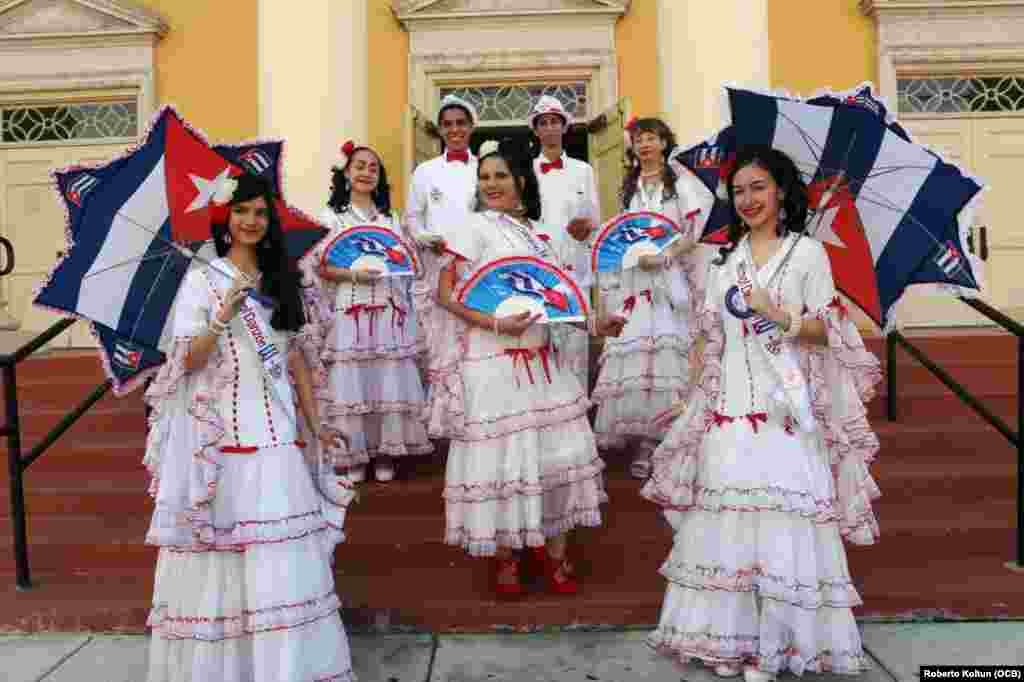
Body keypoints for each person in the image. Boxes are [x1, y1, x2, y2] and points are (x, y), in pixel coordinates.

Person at [641, 146, 882, 681]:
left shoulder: (809, 256)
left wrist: (783, 316)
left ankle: (775, 650)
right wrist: (693, 391)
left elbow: (831, 330)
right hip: (728, 409)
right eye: (740, 190)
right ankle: (733, 643)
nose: (747, 199)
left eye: (758, 187)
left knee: (780, 532)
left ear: (780, 192)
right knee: (729, 530)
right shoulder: (723, 259)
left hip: (786, 413)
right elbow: (710, 336)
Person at [142, 173, 356, 681]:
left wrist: (316, 425)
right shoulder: (203, 279)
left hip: (276, 439)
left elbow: (299, 360)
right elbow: (188, 363)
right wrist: (221, 317)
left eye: (260, 212)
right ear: (226, 218)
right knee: (223, 560)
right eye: (242, 211)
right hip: (221, 441)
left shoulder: (285, 278)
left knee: (278, 564)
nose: (251, 221)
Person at [435, 138, 626, 598]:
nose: (492, 184)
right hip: (493, 361)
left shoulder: (542, 234)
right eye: (484, 177)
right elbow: (446, 295)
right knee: (504, 464)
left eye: (500, 175)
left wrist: (598, 321)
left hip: (544, 363)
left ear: (521, 180)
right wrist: (494, 320)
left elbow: (560, 302)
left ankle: (554, 554)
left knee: (553, 460)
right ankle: (507, 561)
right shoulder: (471, 227)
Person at [300, 140, 433, 484]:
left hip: (389, 308)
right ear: (346, 173)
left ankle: (385, 451)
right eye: (360, 166)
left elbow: (408, 264)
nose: (366, 173)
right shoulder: (331, 218)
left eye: (373, 168)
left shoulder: (390, 218)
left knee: (388, 377)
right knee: (351, 381)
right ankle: (353, 453)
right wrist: (353, 273)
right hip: (350, 306)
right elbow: (321, 267)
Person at [592, 117, 714, 478]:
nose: (644, 144)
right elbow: (622, 235)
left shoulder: (680, 183)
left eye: (651, 138)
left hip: (666, 280)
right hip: (633, 283)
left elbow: (696, 231)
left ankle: (661, 442)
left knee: (666, 358)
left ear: (664, 142)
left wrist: (666, 256)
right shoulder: (629, 187)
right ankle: (641, 438)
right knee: (634, 352)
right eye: (638, 139)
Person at [405, 94, 480, 439]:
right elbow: (412, 219)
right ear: (440, 130)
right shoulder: (425, 171)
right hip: (438, 270)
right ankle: (443, 421)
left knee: (473, 345)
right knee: (441, 346)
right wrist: (425, 238)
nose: (454, 130)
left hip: (477, 270)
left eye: (460, 123)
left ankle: (476, 416)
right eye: (448, 124)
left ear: (471, 127)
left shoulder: (485, 168)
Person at [528, 95, 601, 391]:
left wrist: (586, 227)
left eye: (554, 122)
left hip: (575, 267)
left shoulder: (584, 170)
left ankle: (578, 412)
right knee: (541, 342)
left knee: (576, 343)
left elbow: (595, 216)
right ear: (536, 130)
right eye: (543, 123)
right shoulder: (527, 169)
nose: (549, 128)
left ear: (564, 127)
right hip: (539, 267)